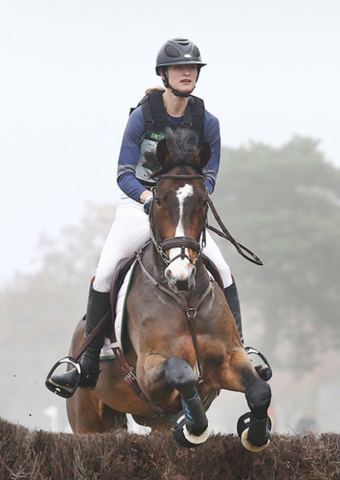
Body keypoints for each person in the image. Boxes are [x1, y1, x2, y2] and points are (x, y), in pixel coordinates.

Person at [47, 37, 261, 398]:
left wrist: (190, 198)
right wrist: (148, 199)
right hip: (140, 203)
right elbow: (124, 172)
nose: (187, 73)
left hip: (181, 208)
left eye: (192, 68)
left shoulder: (207, 122)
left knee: (223, 270)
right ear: (164, 74)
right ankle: (86, 358)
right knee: (106, 271)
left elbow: (210, 176)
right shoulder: (142, 117)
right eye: (180, 68)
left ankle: (244, 348)